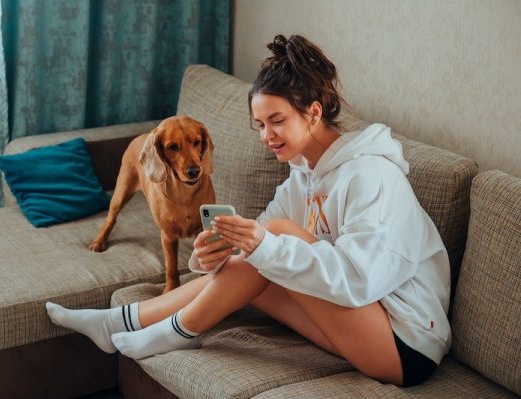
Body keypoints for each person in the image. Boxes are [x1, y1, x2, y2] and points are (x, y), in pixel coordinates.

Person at [46, 34, 451, 387]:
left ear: (313, 110)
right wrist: (212, 254)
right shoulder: (303, 176)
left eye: (276, 121)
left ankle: (173, 332)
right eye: (259, 124)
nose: (266, 136)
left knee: (273, 234)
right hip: (356, 327)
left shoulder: (371, 175)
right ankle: (119, 320)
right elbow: (251, 249)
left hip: (404, 343)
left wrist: (263, 243)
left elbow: (360, 280)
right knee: (256, 250)